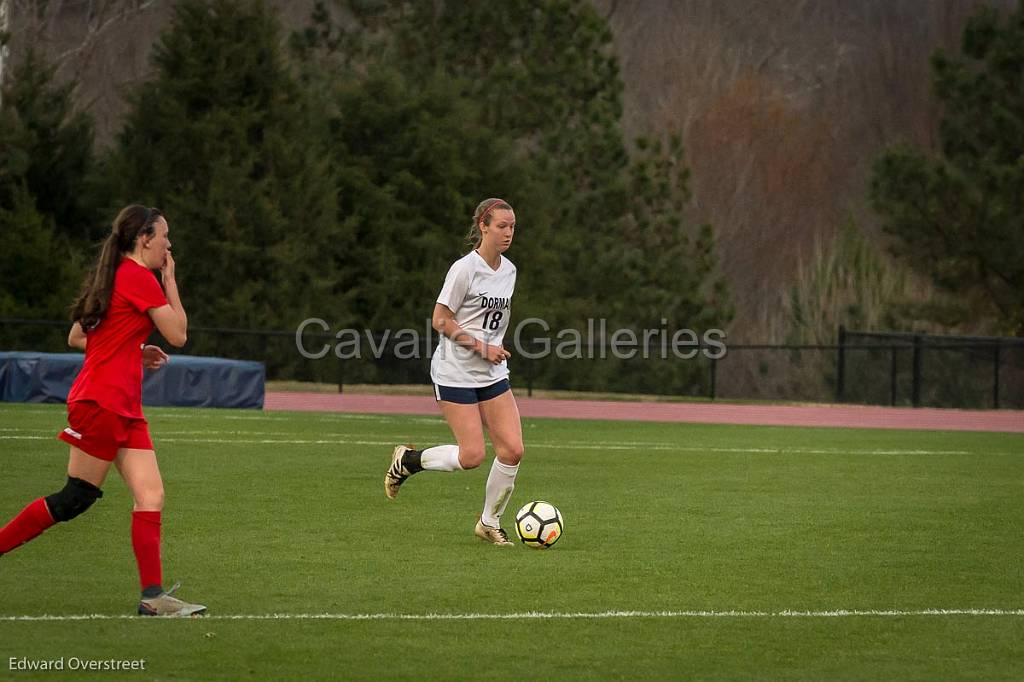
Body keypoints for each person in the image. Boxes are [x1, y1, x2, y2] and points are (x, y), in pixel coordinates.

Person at [0, 204, 206, 617]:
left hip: (122, 405)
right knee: (75, 498)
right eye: (164, 236)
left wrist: (132, 347)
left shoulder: (112, 276)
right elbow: (179, 334)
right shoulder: (139, 277)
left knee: (151, 495)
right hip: (102, 402)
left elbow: (78, 336)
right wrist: (170, 280)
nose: (169, 244)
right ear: (144, 238)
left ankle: (153, 597)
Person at [385, 198, 524, 546]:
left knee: (512, 450)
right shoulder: (464, 269)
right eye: (501, 226)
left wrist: (493, 350)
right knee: (472, 456)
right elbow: (440, 319)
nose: (508, 233)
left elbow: (493, 321)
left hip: (491, 373)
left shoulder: (509, 270)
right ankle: (409, 461)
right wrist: (481, 347)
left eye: (512, 226)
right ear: (483, 226)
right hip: (455, 372)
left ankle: (489, 523)